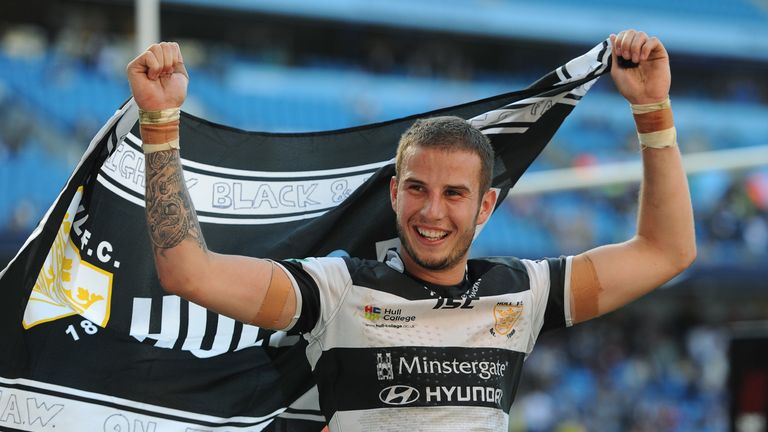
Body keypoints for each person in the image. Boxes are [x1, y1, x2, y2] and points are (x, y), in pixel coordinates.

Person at [126, 30, 695, 431]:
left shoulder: (526, 291)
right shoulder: (337, 290)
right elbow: (188, 272)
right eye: (418, 188)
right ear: (395, 192)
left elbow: (667, 251)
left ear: (486, 206)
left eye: (455, 195)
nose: (432, 212)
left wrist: (653, 108)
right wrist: (159, 122)